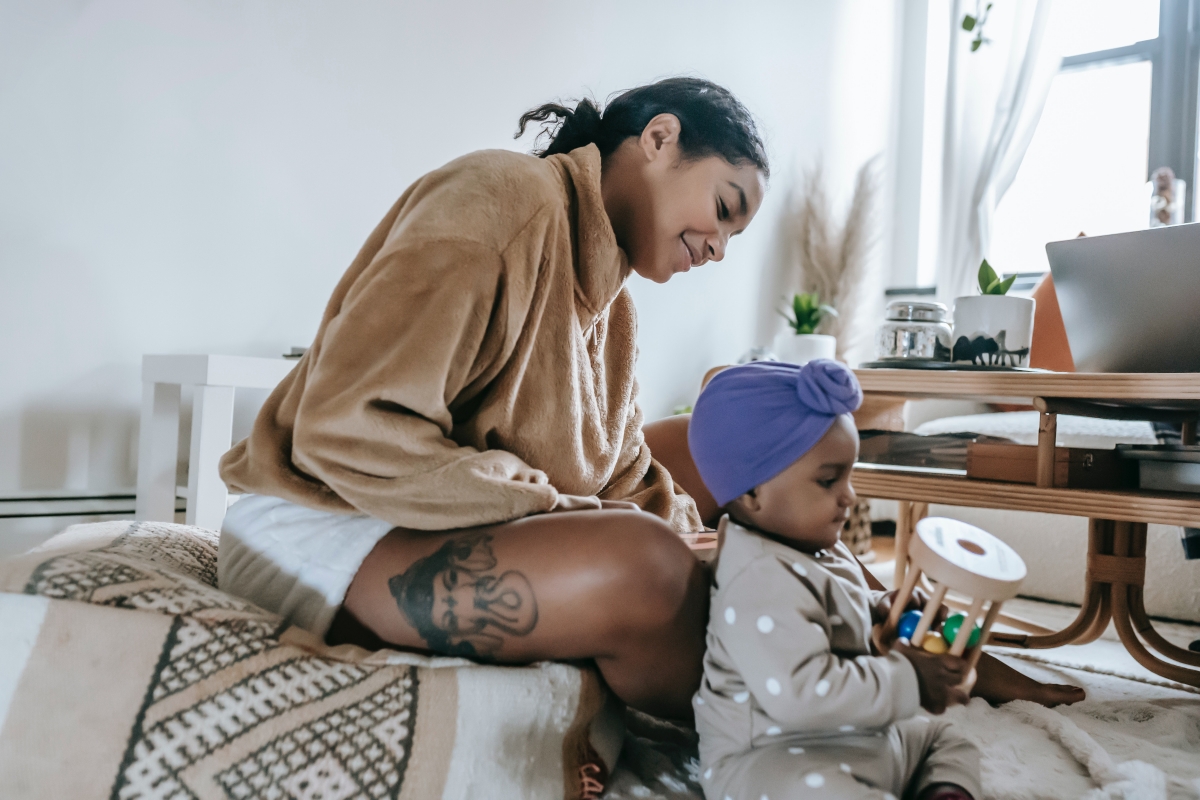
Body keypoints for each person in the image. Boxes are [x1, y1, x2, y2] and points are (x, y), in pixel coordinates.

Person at [217, 77, 1082, 722]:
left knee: (736, 472)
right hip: (326, 526)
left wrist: (715, 535)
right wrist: (561, 512)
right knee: (650, 564)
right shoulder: (503, 198)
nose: (717, 246)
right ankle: (829, 700)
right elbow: (343, 428)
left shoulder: (615, 306)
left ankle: (886, 636)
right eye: (724, 207)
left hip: (437, 517)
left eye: (735, 234)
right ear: (660, 139)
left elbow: (628, 469)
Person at [690, 359, 980, 800]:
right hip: (774, 755)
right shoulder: (756, 578)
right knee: (821, 790)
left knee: (946, 738)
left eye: (849, 474)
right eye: (828, 480)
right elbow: (800, 696)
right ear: (752, 493)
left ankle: (943, 792)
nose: (850, 495)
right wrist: (909, 679)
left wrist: (880, 605)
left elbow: (832, 610)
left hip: (856, 735)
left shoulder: (816, 544)